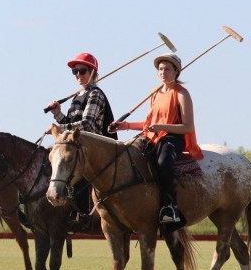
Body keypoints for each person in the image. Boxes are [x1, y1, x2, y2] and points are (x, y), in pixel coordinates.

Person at [109, 53, 203, 224]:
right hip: (152, 137)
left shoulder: (182, 94)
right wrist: (127, 125)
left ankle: (170, 206)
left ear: (176, 71)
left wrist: (162, 127)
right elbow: (149, 123)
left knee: (162, 163)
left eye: (167, 69)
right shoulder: (155, 93)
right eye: (160, 69)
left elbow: (187, 127)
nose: (163, 72)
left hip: (173, 138)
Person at [44, 52, 117, 227]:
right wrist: (58, 115)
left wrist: (59, 128)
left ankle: (84, 213)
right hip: (78, 143)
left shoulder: (95, 94)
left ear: (92, 72)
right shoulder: (78, 96)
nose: (78, 75)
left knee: (74, 165)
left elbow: (87, 124)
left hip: (94, 148)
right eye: (75, 72)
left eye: (82, 71)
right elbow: (71, 125)